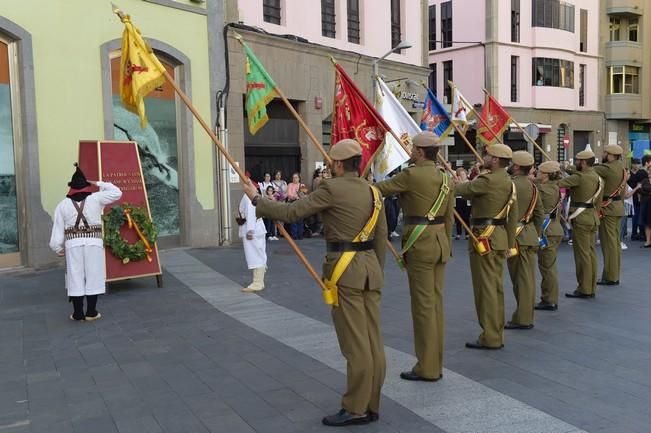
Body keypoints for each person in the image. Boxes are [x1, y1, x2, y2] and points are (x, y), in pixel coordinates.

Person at [242, 139, 387, 427]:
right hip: (370, 269)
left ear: (338, 164)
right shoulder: (374, 191)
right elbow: (380, 237)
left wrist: (258, 200)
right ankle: (372, 403)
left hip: (345, 272)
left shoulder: (331, 188)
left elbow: (292, 212)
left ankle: (356, 407)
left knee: (355, 344)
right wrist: (375, 272)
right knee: (373, 341)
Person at [375, 131, 454, 382]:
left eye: (412, 150)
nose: (410, 153)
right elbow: (449, 217)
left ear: (420, 152)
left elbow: (377, 191)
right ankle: (435, 362)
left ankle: (428, 368)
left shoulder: (410, 175)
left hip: (420, 245)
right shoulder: (445, 177)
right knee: (435, 306)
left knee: (422, 307)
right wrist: (447, 244)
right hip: (440, 243)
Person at [455, 144, 518, 350]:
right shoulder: (509, 182)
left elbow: (461, 191)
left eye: (488, 155)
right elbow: (512, 217)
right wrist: (509, 244)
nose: (484, 157)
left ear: (496, 160)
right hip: (498, 239)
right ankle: (496, 332)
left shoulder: (488, 180)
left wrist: (461, 181)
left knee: (486, 290)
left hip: (485, 239)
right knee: (496, 288)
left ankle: (490, 336)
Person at [49, 163, 122, 321]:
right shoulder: (96, 198)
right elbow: (117, 192)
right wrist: (99, 183)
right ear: (86, 186)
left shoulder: (62, 205)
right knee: (94, 275)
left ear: (72, 188)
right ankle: (91, 312)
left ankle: (77, 313)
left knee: (75, 276)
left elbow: (57, 228)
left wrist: (56, 247)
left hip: (73, 245)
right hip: (93, 243)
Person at [505, 151, 544, 330]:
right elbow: (539, 214)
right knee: (527, 278)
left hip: (516, 236)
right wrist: (535, 234)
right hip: (529, 235)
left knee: (520, 280)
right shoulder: (533, 187)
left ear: (517, 167)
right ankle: (526, 315)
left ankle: (523, 318)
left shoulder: (510, 185)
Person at [559, 147, 602, 299]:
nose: (576, 163)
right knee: (590, 254)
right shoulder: (597, 177)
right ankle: (591, 287)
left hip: (580, 218)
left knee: (582, 255)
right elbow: (599, 202)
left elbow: (560, 183)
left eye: (578, 161)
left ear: (583, 162)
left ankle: (584, 289)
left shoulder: (579, 177)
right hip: (592, 217)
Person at [593, 145, 626, 285]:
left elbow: (586, 170)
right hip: (618, 207)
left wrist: (565, 167)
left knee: (609, 244)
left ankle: (610, 276)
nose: (603, 154)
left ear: (610, 155)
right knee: (615, 244)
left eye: (605, 152)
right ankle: (614, 274)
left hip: (609, 208)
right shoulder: (622, 168)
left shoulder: (607, 168)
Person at [535, 161, 564, 311]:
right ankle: (548, 297)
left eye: (539, 171)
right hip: (555, 228)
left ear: (546, 175)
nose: (536, 173)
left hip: (547, 231)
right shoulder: (555, 186)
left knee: (547, 267)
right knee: (549, 266)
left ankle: (550, 299)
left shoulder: (543, 189)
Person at [238, 190, 267, 292]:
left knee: (254, 255)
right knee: (258, 253)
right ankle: (259, 281)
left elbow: (251, 213)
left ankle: (257, 282)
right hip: (256, 227)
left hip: (253, 228)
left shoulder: (249, 196)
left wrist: (250, 231)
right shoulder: (252, 194)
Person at [286, 172, 307, 239]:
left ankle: (300, 234)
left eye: (296, 177)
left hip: (300, 203)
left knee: (300, 220)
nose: (294, 179)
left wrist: (300, 196)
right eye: (293, 177)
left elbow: (305, 194)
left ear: (299, 178)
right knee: (294, 220)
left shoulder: (302, 185)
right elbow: (289, 194)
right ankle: (294, 235)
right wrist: (295, 196)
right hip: (292, 202)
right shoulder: (290, 185)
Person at [454, 167, 471, 240]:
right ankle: (458, 233)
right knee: (458, 218)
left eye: (463, 174)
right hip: (458, 200)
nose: (462, 176)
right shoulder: (456, 182)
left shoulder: (469, 182)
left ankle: (467, 233)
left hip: (466, 200)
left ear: (466, 174)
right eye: (460, 174)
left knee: (466, 217)